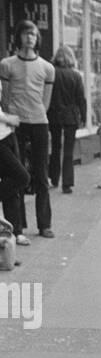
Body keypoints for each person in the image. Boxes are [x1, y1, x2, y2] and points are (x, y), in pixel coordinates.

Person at [0, 19, 55, 240]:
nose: (30, 38)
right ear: (19, 36)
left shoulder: (47, 68)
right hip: (16, 124)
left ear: (37, 38)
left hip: (39, 122)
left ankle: (45, 224)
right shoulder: (7, 65)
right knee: (19, 173)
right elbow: (4, 98)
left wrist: (36, 114)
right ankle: (19, 226)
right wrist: (11, 117)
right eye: (26, 34)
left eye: (33, 34)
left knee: (41, 174)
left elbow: (46, 102)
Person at [48, 45, 86, 194]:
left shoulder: (52, 72)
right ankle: (67, 184)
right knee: (68, 150)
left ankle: (54, 177)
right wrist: (83, 116)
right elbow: (81, 99)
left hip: (54, 115)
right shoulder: (76, 76)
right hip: (70, 116)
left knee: (55, 146)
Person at [0, 86, 29, 252]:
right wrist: (7, 118)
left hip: (7, 136)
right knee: (21, 177)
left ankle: (14, 233)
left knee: (11, 185)